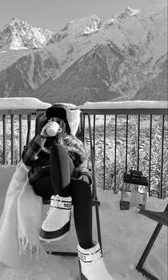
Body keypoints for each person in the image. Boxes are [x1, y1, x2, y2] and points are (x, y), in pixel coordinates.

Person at [22, 104, 113, 280]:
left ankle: (90, 262)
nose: (54, 123)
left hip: (69, 183)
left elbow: (84, 171)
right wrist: (42, 137)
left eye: (58, 121)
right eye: (50, 120)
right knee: (57, 151)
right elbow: (26, 160)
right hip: (44, 181)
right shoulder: (38, 140)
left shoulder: (74, 143)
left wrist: (62, 141)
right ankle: (90, 262)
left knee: (81, 185)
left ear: (65, 124)